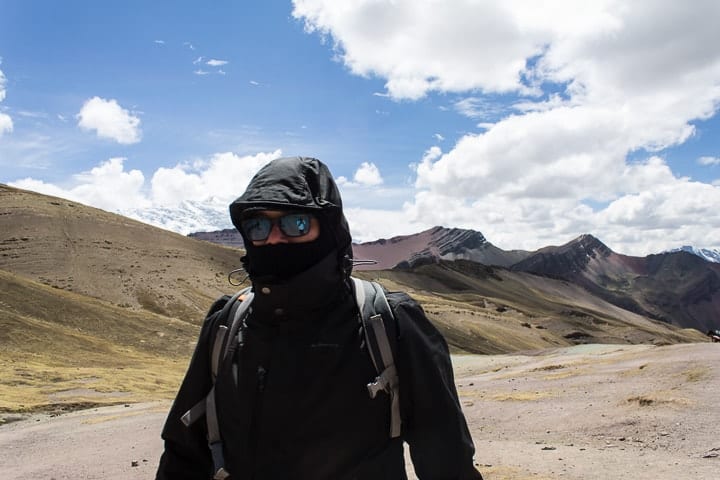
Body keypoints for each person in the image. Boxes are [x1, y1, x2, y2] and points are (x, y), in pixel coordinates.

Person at [156, 156, 483, 479]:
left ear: (328, 230)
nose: (273, 239)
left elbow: (448, 461)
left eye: (295, 223)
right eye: (258, 225)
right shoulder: (226, 324)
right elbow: (183, 455)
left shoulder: (389, 323)